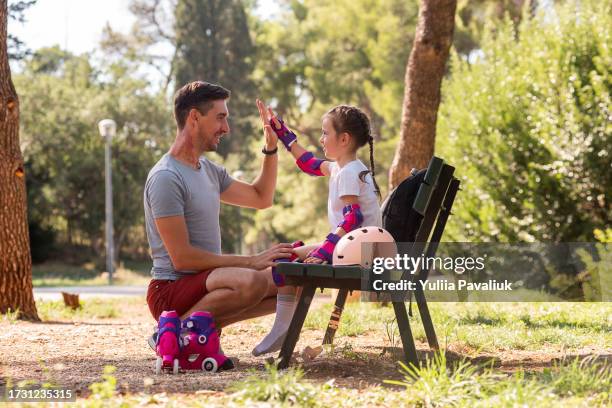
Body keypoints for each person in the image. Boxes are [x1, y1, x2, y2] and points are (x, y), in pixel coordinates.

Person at [144, 81, 295, 340]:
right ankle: (172, 333)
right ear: (194, 117)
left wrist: (271, 148)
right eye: (220, 118)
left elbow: (261, 198)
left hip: (208, 283)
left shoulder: (209, 171)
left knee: (292, 281)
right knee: (251, 281)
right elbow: (182, 259)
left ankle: (198, 329)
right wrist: (251, 262)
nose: (226, 128)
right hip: (170, 289)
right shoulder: (166, 177)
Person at [252, 105, 383, 356]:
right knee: (287, 255)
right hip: (359, 248)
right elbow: (308, 163)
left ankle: (283, 328)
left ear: (343, 139)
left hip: (358, 253)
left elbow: (352, 218)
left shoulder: (348, 172)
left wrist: (325, 250)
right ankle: (283, 328)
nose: (321, 139)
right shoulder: (342, 168)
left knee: (284, 258)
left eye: (325, 133)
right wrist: (283, 134)